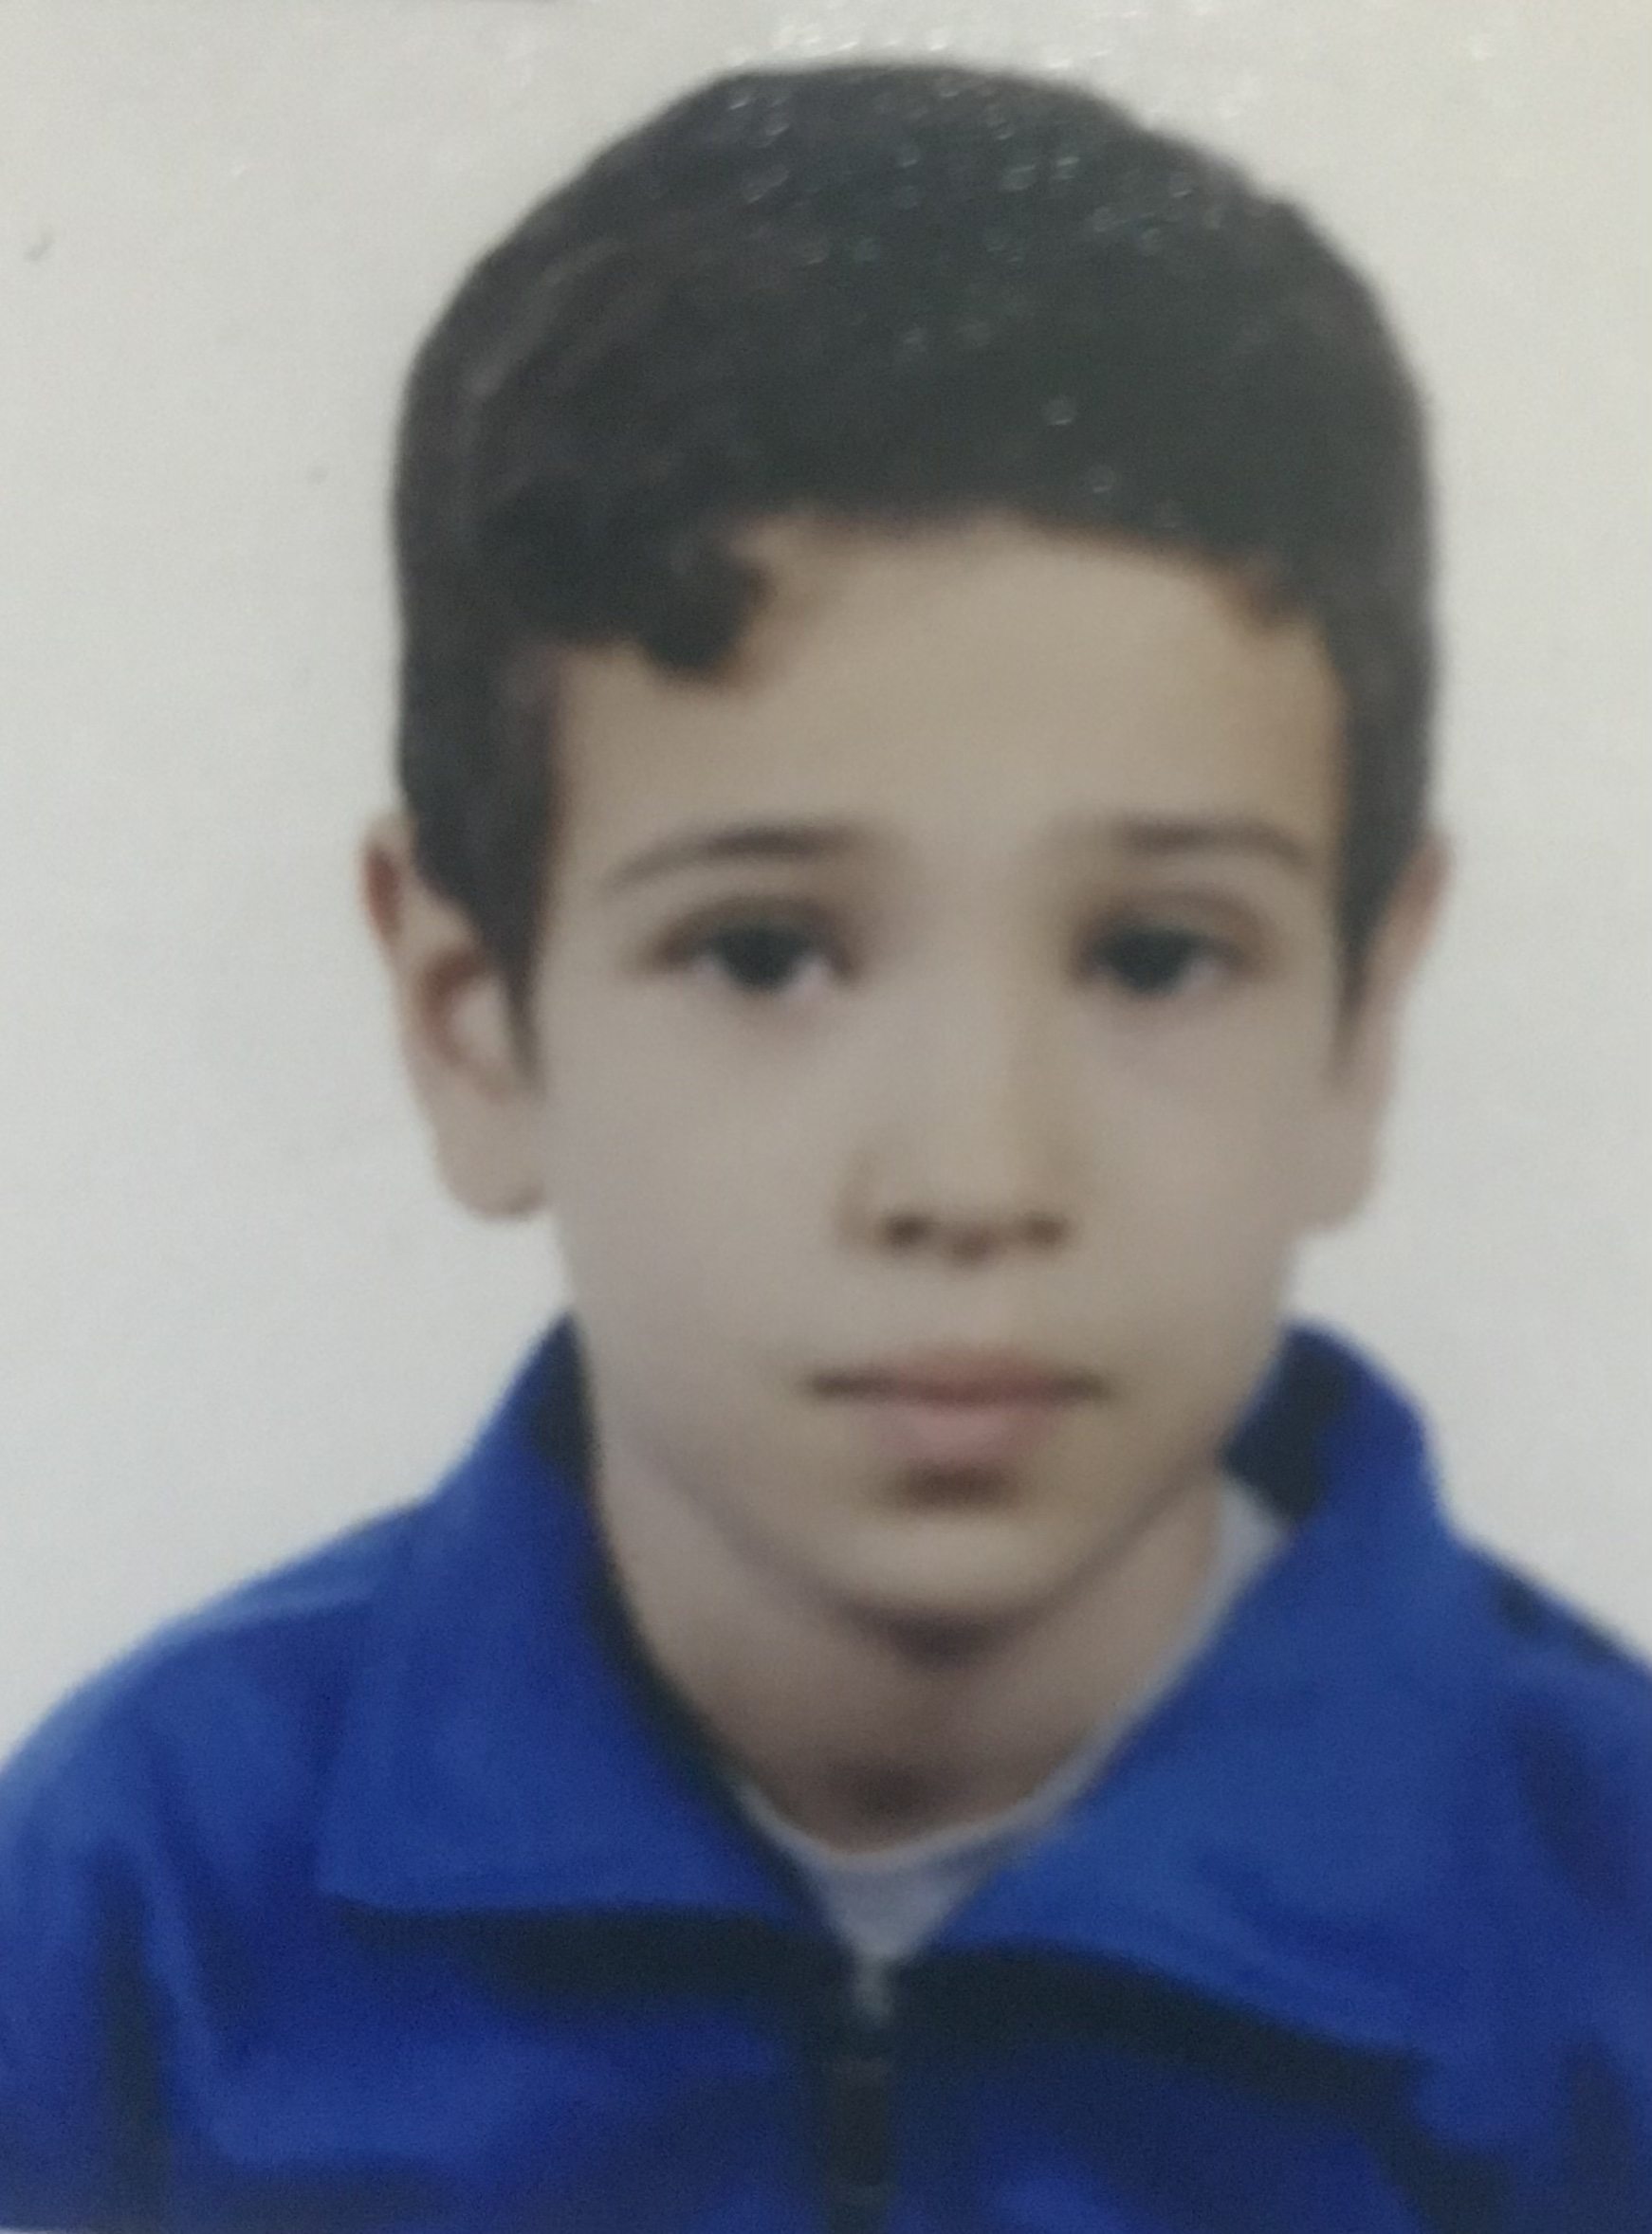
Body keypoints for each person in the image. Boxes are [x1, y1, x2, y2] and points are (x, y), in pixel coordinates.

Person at [1, 57, 1647, 2234]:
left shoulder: (1609, 1920)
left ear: (1360, 1018)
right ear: (469, 1014)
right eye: (763, 950)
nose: (970, 1175)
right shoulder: (137, 1906)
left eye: (1155, 954)